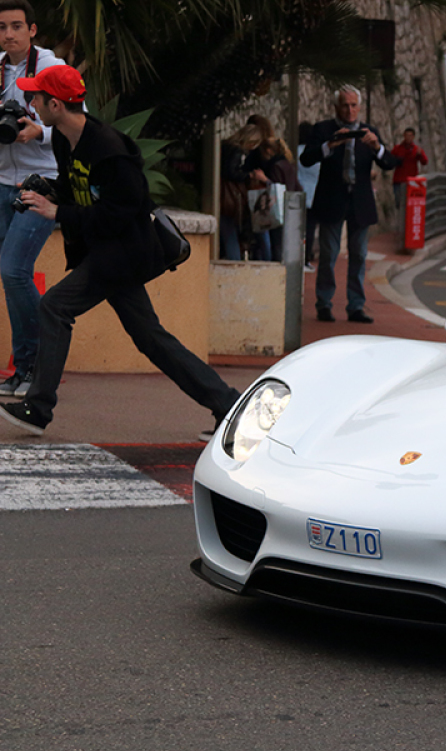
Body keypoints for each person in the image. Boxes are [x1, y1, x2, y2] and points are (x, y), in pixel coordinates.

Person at [0, 65, 241, 439]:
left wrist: (59, 213)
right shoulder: (65, 139)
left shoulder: (111, 150)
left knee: (55, 306)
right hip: (104, 253)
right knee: (151, 338)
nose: (30, 104)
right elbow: (75, 186)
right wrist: (46, 190)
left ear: (56, 104)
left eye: (36, 98)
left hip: (123, 254)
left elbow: (122, 212)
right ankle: (228, 406)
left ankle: (38, 407)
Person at [0, 0, 62, 398]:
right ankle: (24, 368)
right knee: (11, 277)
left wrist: (40, 132)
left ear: (33, 30)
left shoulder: (52, 69)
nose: (9, 34)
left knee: (14, 270)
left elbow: (80, 123)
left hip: (42, 183)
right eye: (3, 27)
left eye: (17, 26)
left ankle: (38, 366)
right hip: (2, 182)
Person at [299, 85, 398, 323]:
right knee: (329, 254)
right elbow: (306, 158)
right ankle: (324, 303)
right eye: (345, 105)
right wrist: (329, 145)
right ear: (336, 107)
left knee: (359, 255)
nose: (350, 110)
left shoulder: (369, 131)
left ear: (360, 107)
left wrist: (377, 147)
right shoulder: (324, 129)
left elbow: (390, 162)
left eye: (354, 105)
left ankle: (356, 306)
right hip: (332, 199)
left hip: (360, 203)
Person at [219, 124, 265, 260]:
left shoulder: (225, 146)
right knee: (230, 232)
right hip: (229, 197)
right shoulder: (238, 152)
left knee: (226, 231)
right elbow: (231, 172)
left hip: (220, 192)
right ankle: (235, 261)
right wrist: (249, 175)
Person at [257, 136, 300, 262]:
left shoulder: (275, 166)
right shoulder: (287, 163)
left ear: (269, 151)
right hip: (289, 206)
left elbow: (277, 188)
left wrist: (264, 179)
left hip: (278, 207)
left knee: (276, 242)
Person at [390, 127, 427, 246]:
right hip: (399, 181)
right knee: (399, 204)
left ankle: (408, 229)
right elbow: (389, 160)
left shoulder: (416, 150)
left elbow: (425, 161)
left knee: (410, 207)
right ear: (404, 136)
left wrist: (420, 155)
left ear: (413, 137)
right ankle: (400, 230)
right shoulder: (397, 149)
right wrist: (396, 160)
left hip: (412, 183)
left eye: (411, 135)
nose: (408, 138)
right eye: (407, 135)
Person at [295, 120, 319, 268]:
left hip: (298, 194)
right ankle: (306, 259)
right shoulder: (315, 152)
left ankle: (295, 257)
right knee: (310, 229)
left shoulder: (295, 151)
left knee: (296, 228)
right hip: (314, 195)